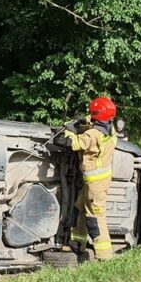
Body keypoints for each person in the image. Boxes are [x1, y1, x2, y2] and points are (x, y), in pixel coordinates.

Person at [55, 97, 118, 261]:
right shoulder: (111, 131)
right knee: (79, 209)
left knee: (95, 217)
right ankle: (77, 243)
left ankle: (104, 255)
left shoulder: (92, 135)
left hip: (94, 185)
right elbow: (95, 126)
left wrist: (69, 128)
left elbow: (70, 142)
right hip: (98, 181)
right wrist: (86, 121)